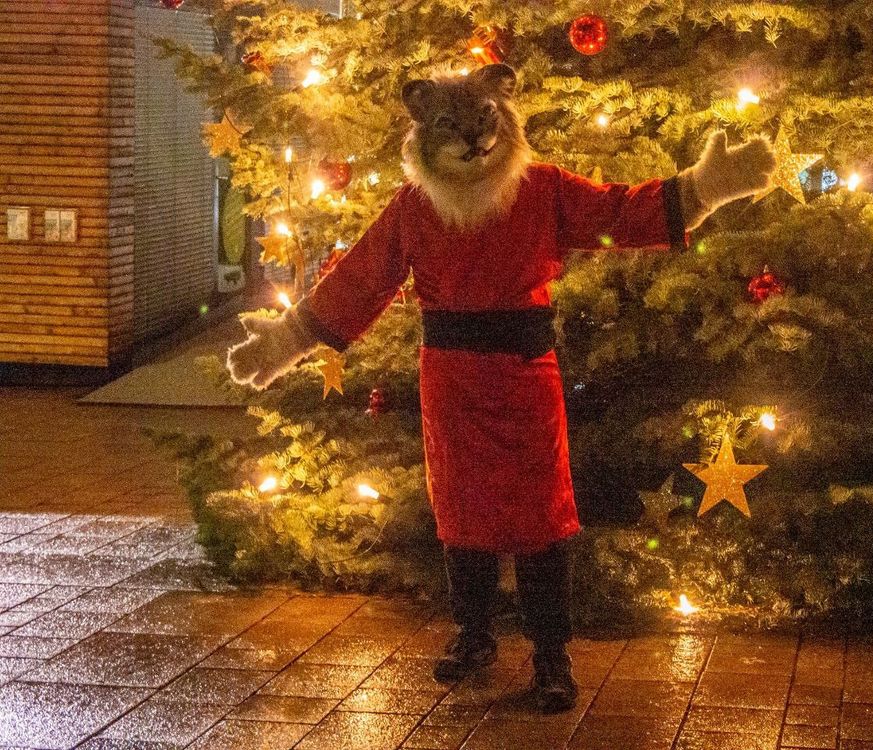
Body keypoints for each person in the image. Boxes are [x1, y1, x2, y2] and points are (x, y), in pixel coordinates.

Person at [227, 63, 776, 713]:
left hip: (524, 377)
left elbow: (617, 214)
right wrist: (286, 343)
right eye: (452, 129)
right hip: (451, 383)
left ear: (505, 122)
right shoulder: (413, 207)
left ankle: (551, 653)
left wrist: (702, 189)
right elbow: (360, 280)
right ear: (425, 136)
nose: (471, 142)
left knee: (541, 521)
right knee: (463, 518)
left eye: (483, 123)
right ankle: (475, 634)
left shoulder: (542, 190)